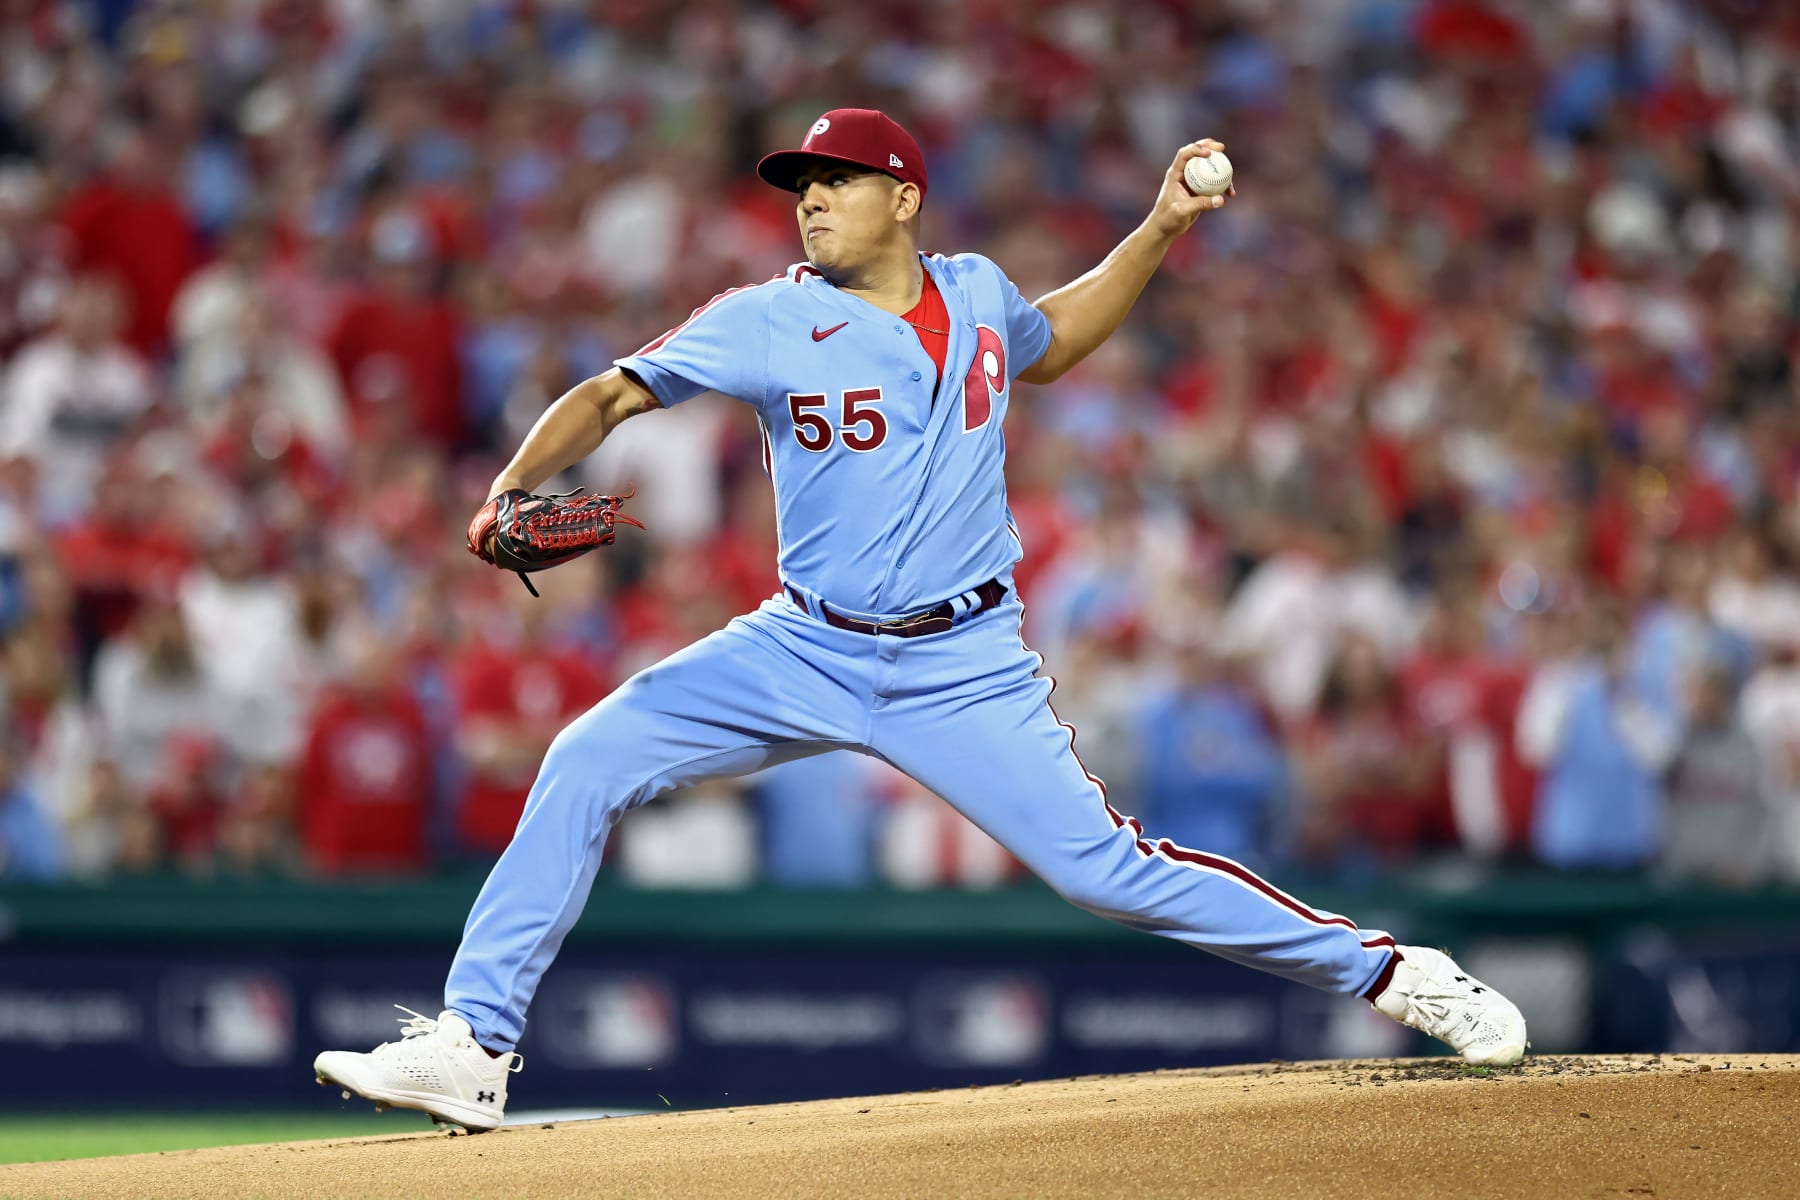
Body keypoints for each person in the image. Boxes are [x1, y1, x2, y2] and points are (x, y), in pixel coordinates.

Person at [314, 109, 1526, 1132]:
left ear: (903, 196)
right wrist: (508, 488)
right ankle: (476, 1044)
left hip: (963, 667)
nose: (808, 202)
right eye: (799, 186)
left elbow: (1055, 342)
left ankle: (1397, 972)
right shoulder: (764, 318)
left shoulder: (983, 297)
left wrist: (1157, 230)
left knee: (1108, 870)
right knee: (586, 757)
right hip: (803, 645)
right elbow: (609, 394)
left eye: (833, 182)